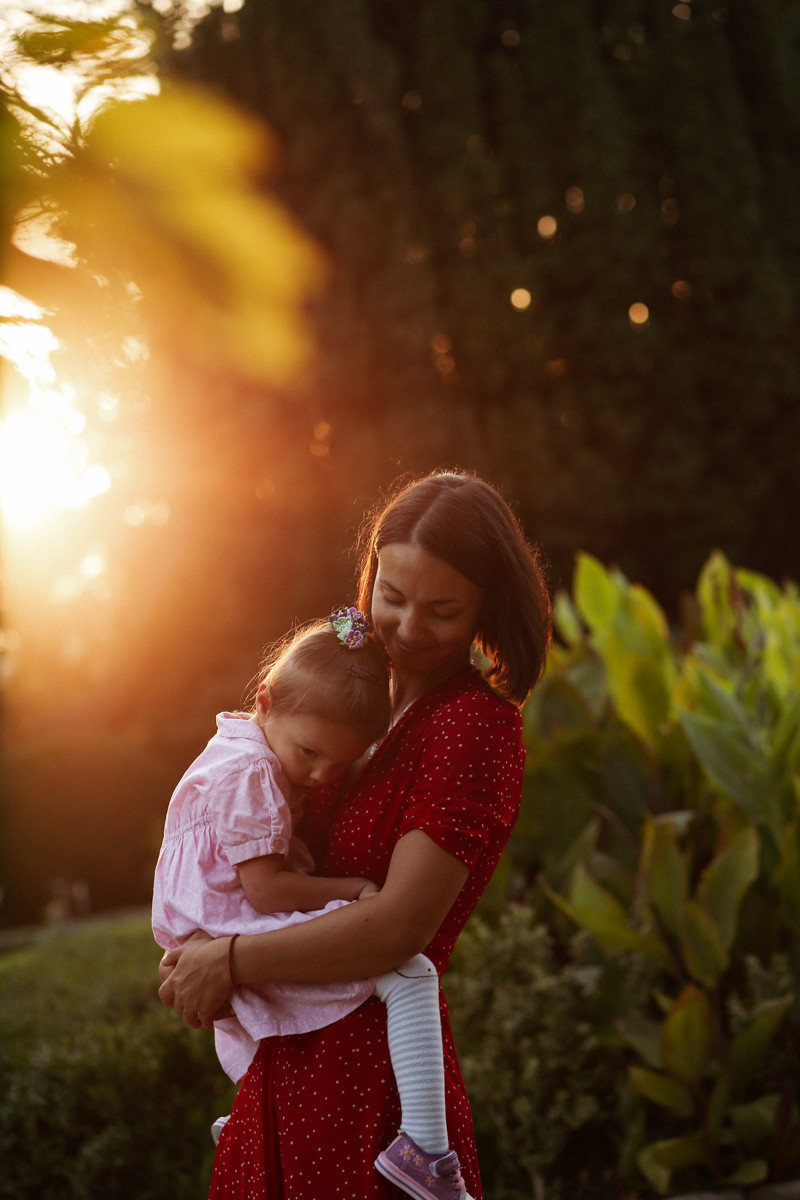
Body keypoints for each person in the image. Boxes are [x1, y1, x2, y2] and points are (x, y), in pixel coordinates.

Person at [158, 469, 552, 1200]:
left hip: (366, 1077)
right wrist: (202, 936)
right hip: (282, 1060)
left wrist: (233, 960)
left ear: (484, 611)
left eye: (441, 610)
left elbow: (399, 923)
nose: (404, 627)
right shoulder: (355, 699)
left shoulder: (473, 726)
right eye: (392, 597)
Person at [152, 610, 467, 1197]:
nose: (321, 775)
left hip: (204, 918)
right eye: (311, 753)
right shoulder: (252, 770)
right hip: (229, 916)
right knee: (410, 971)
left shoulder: (237, 744)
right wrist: (351, 890)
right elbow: (267, 890)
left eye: (340, 765)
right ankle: (425, 1149)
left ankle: (242, 1113)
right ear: (266, 702)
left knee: (258, 1018)